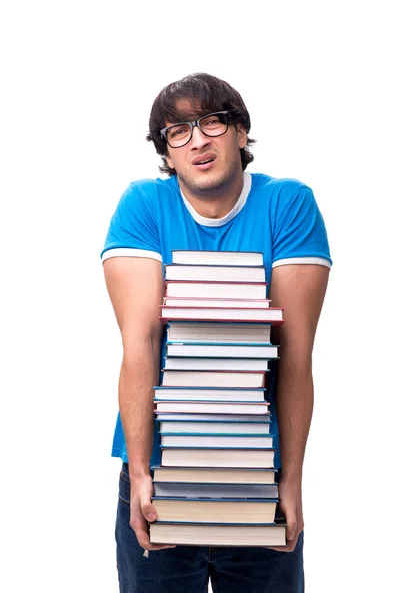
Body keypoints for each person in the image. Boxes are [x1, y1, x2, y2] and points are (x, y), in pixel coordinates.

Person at [101, 72, 331, 593]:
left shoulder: (288, 205)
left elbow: (296, 355)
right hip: (159, 470)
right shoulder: (142, 206)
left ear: (241, 133)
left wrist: (291, 479)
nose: (197, 140)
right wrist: (140, 474)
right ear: (166, 150)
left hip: (260, 472)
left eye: (211, 122)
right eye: (177, 131)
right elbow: (140, 346)